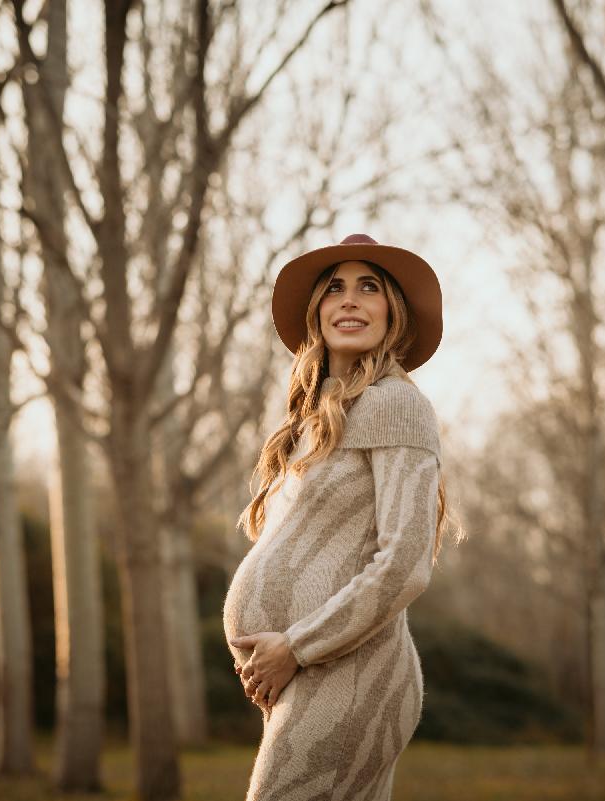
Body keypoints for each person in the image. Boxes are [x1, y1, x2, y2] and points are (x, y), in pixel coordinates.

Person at [222, 233, 459, 801]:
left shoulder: (395, 404)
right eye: (335, 288)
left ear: (393, 315)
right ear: (317, 312)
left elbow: (404, 564)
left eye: (368, 287)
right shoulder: (312, 421)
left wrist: (296, 645)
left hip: (349, 671)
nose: (349, 299)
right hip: (307, 675)